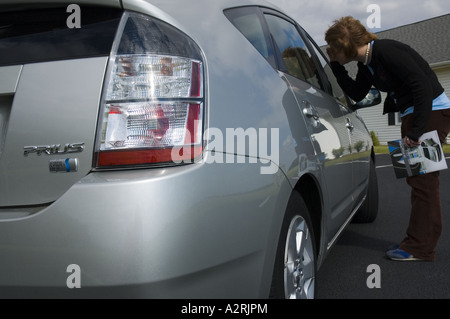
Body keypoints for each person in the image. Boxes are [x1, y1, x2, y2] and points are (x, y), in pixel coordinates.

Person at [324, 16, 450, 261]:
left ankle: (421, 248)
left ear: (346, 45)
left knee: (424, 183)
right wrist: (336, 66)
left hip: (430, 113)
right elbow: (358, 93)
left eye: (334, 47)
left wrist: (415, 133)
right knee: (417, 181)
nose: (330, 51)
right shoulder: (366, 64)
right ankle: (417, 243)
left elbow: (422, 85)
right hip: (414, 116)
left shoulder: (386, 50)